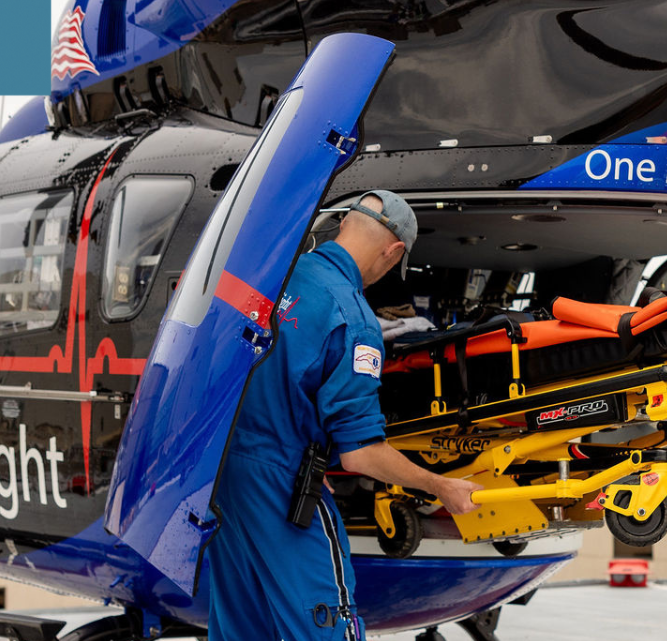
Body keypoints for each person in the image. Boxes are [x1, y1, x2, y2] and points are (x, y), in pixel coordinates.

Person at [206, 190, 482, 641]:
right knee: (327, 627)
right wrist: (440, 485)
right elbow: (362, 455)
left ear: (344, 226)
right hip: (283, 492)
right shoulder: (354, 320)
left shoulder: (272, 275)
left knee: (242, 627)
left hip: (221, 480)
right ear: (393, 253)